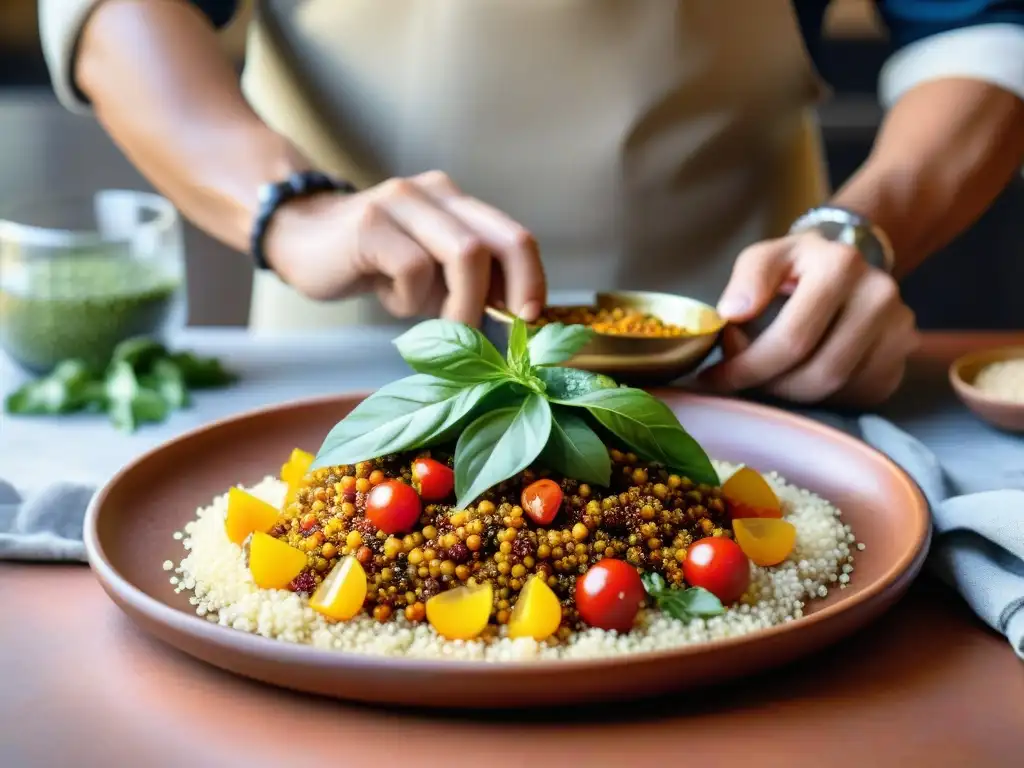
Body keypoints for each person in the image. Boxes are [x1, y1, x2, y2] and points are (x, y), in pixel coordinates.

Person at [41, 0, 1024, 407]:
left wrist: (862, 229)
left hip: (746, 360)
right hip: (354, 354)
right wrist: (293, 211)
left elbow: (981, 27)